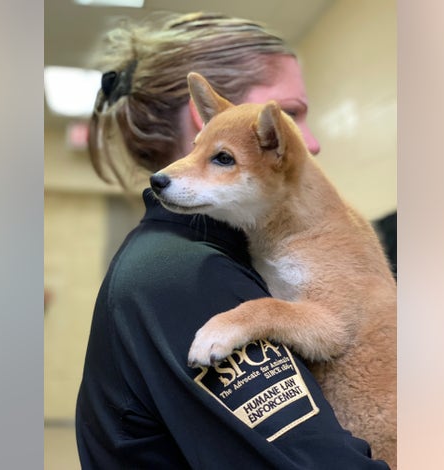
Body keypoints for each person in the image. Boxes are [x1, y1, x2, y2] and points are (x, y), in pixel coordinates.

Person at [75, 12, 391, 469]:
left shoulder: (192, 259)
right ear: (208, 114)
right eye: (290, 114)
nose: (311, 143)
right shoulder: (187, 276)